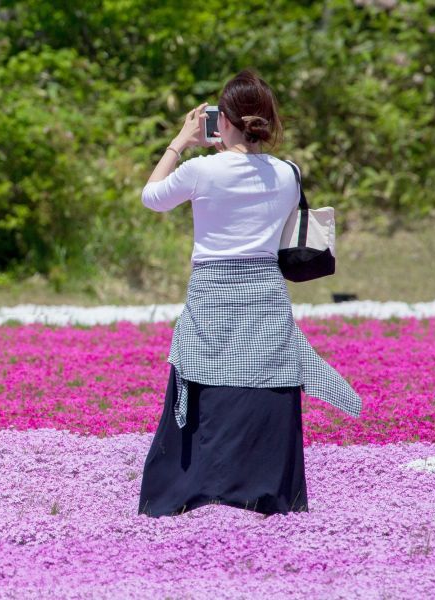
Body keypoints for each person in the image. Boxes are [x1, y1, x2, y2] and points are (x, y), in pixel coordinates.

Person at [137, 70, 361, 517]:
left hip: (213, 291)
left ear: (225, 120)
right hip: (264, 290)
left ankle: (195, 489)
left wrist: (180, 142)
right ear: (269, 121)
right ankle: (265, 492)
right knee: (266, 382)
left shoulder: (201, 169)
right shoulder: (287, 173)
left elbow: (151, 197)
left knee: (206, 381)